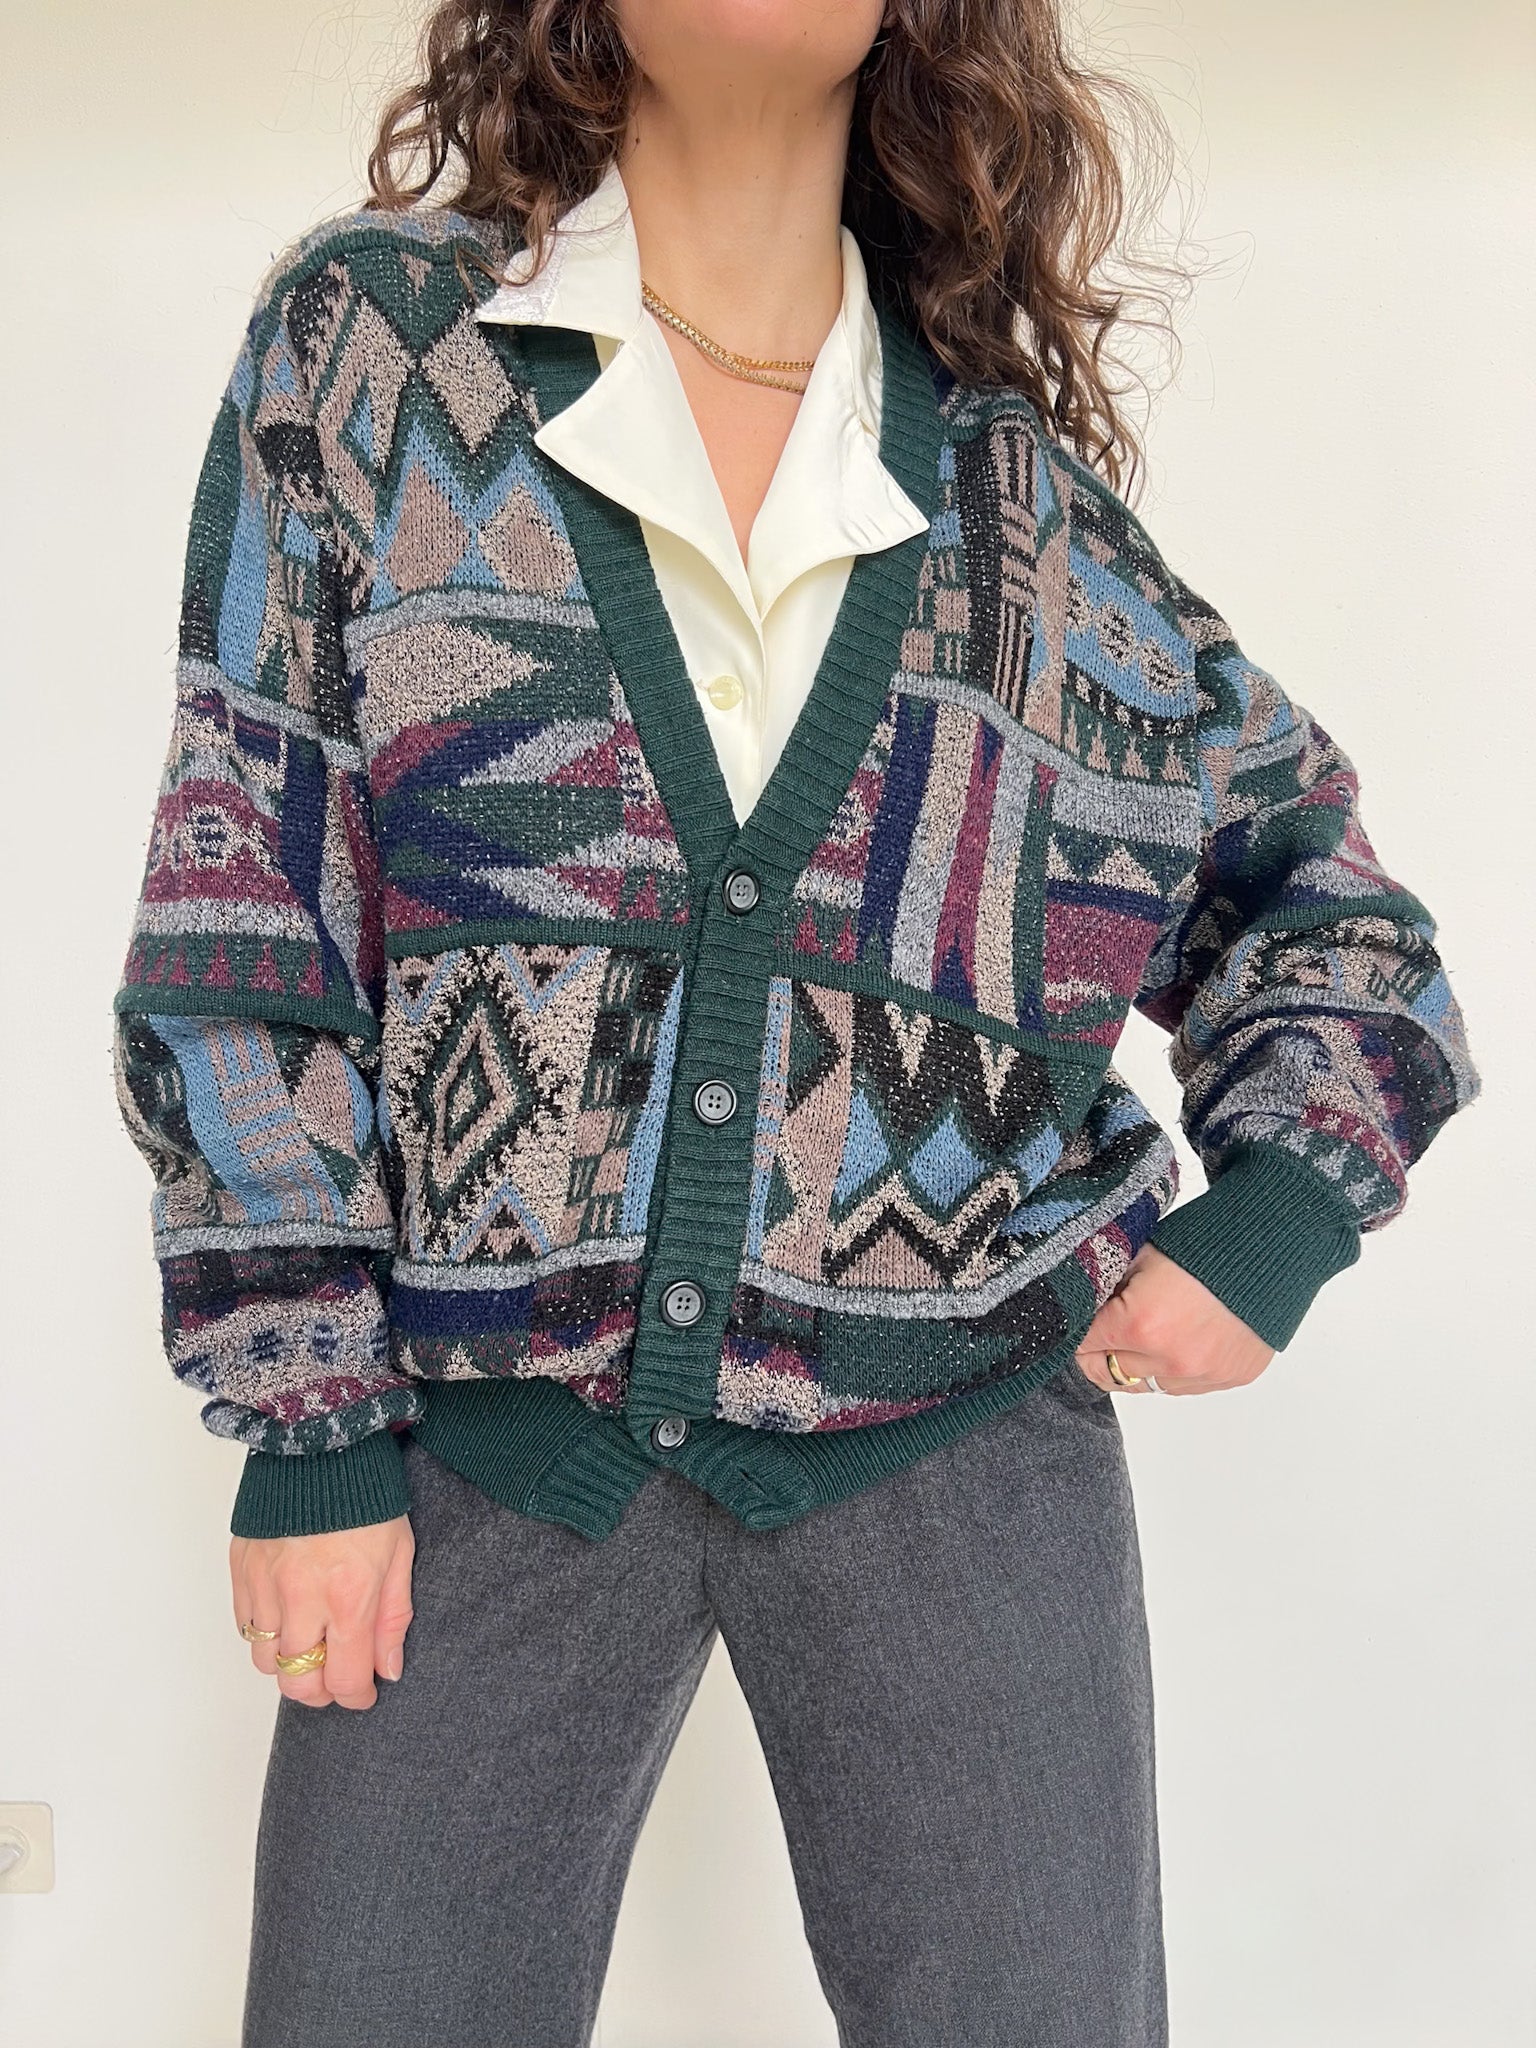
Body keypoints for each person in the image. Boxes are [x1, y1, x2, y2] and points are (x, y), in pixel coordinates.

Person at [109, 3, 1481, 2043]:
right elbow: (250, 890)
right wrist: (307, 1420)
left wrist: (1273, 1215)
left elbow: (1331, 912)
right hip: (483, 1439)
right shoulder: (383, 352)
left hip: (964, 1438)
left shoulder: (1024, 515)